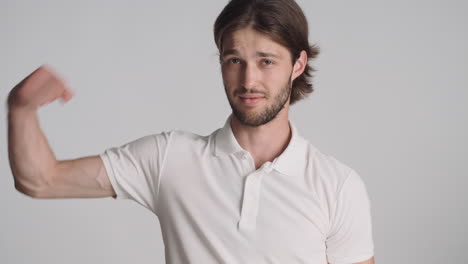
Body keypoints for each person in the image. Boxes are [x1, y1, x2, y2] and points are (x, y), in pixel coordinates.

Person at [7, 0, 375, 263]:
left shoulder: (337, 186)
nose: (249, 80)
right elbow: (41, 180)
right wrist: (21, 110)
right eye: (235, 61)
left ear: (298, 64)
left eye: (266, 61)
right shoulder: (170, 158)